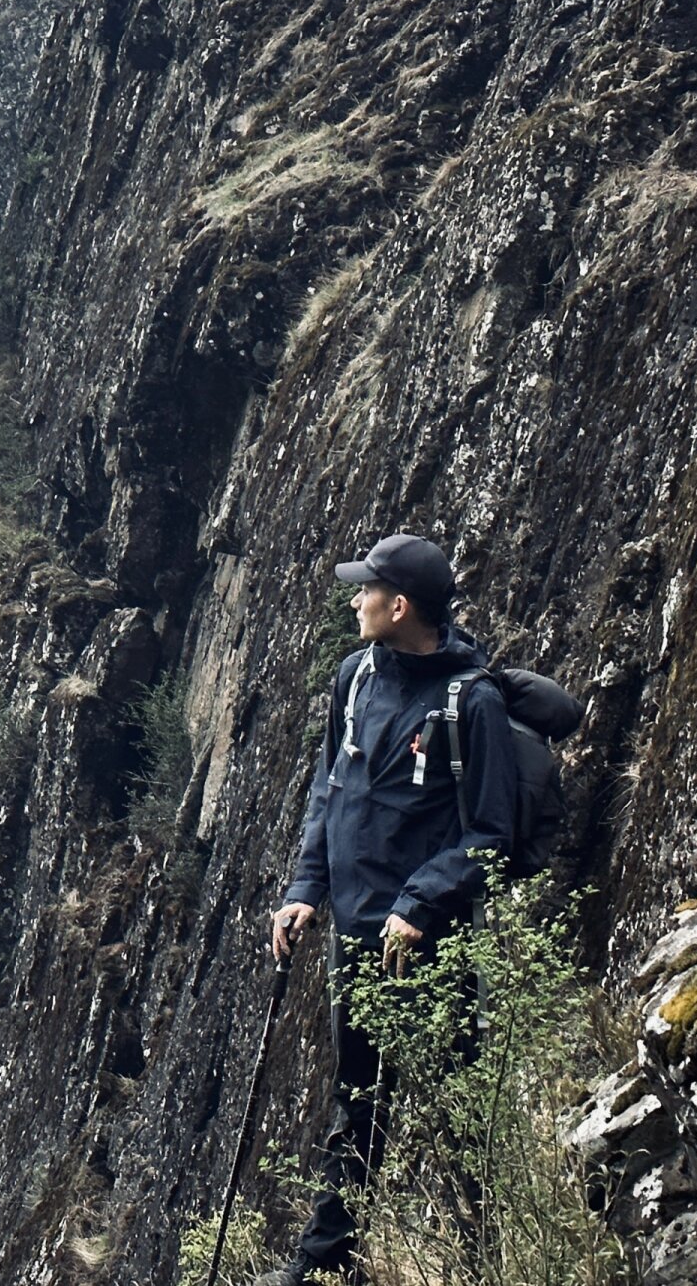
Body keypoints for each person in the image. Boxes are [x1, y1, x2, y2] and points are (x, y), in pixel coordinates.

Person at [258, 533, 519, 1286]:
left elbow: (492, 834)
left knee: (453, 1105)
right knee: (358, 1098)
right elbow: (329, 791)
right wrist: (307, 888)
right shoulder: (356, 674)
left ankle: (481, 1260)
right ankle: (325, 1264)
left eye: (364, 590)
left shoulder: (474, 702)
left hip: (425, 941)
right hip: (355, 931)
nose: (354, 600)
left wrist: (422, 900)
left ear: (398, 604)